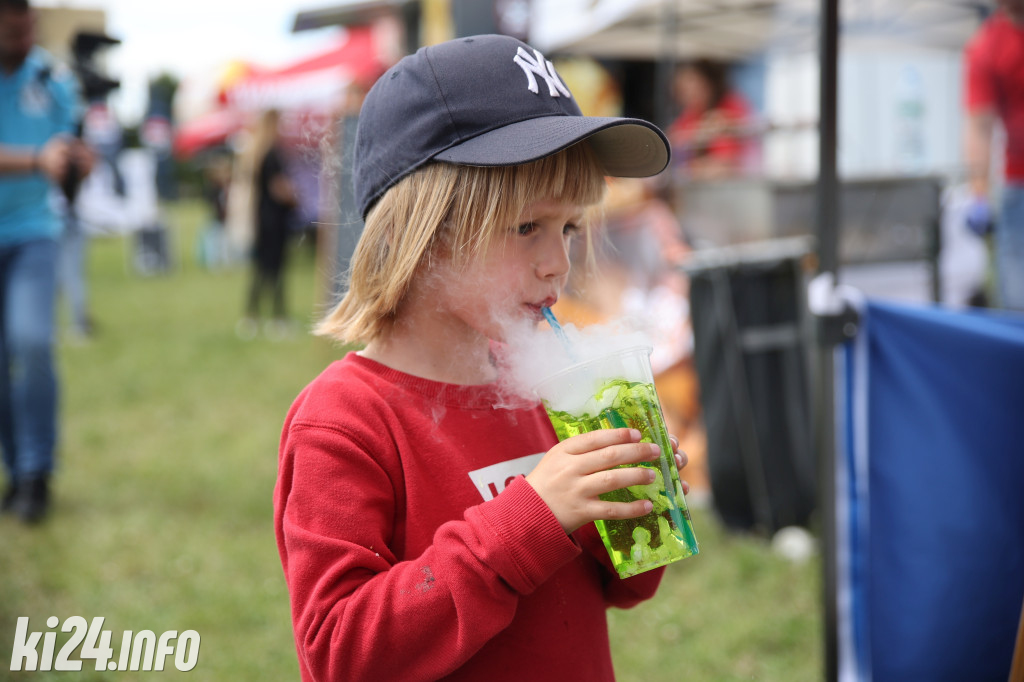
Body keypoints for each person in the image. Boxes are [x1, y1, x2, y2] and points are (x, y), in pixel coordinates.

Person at [274, 34, 690, 681]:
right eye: (528, 227)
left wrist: (635, 506)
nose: (559, 262)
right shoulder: (344, 420)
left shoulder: (549, 387)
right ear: (425, 235)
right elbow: (341, 655)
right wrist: (532, 517)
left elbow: (627, 590)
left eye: (570, 228)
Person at [0, 0, 91, 522]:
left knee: (32, 342)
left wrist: (79, 163)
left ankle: (36, 474)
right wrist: (37, 159)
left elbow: (70, 152)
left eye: (28, 20)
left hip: (35, 233)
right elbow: (42, 156)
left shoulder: (52, 78)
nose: (23, 31)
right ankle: (13, 470)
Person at [963, 0, 1024, 310]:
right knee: (1016, 302)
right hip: (1019, 186)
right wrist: (979, 194)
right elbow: (980, 126)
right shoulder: (987, 48)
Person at [239, 108, 297, 339]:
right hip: (276, 219)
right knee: (277, 270)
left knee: (261, 269)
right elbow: (279, 188)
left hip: (262, 217)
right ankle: (278, 318)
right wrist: (294, 197)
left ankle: (251, 316)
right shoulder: (273, 154)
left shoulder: (257, 153)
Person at [668, 58, 755, 180]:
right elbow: (673, 141)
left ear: (708, 84)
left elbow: (726, 162)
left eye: (690, 88)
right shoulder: (693, 112)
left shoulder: (728, 109)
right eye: (681, 90)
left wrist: (689, 169)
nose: (684, 96)